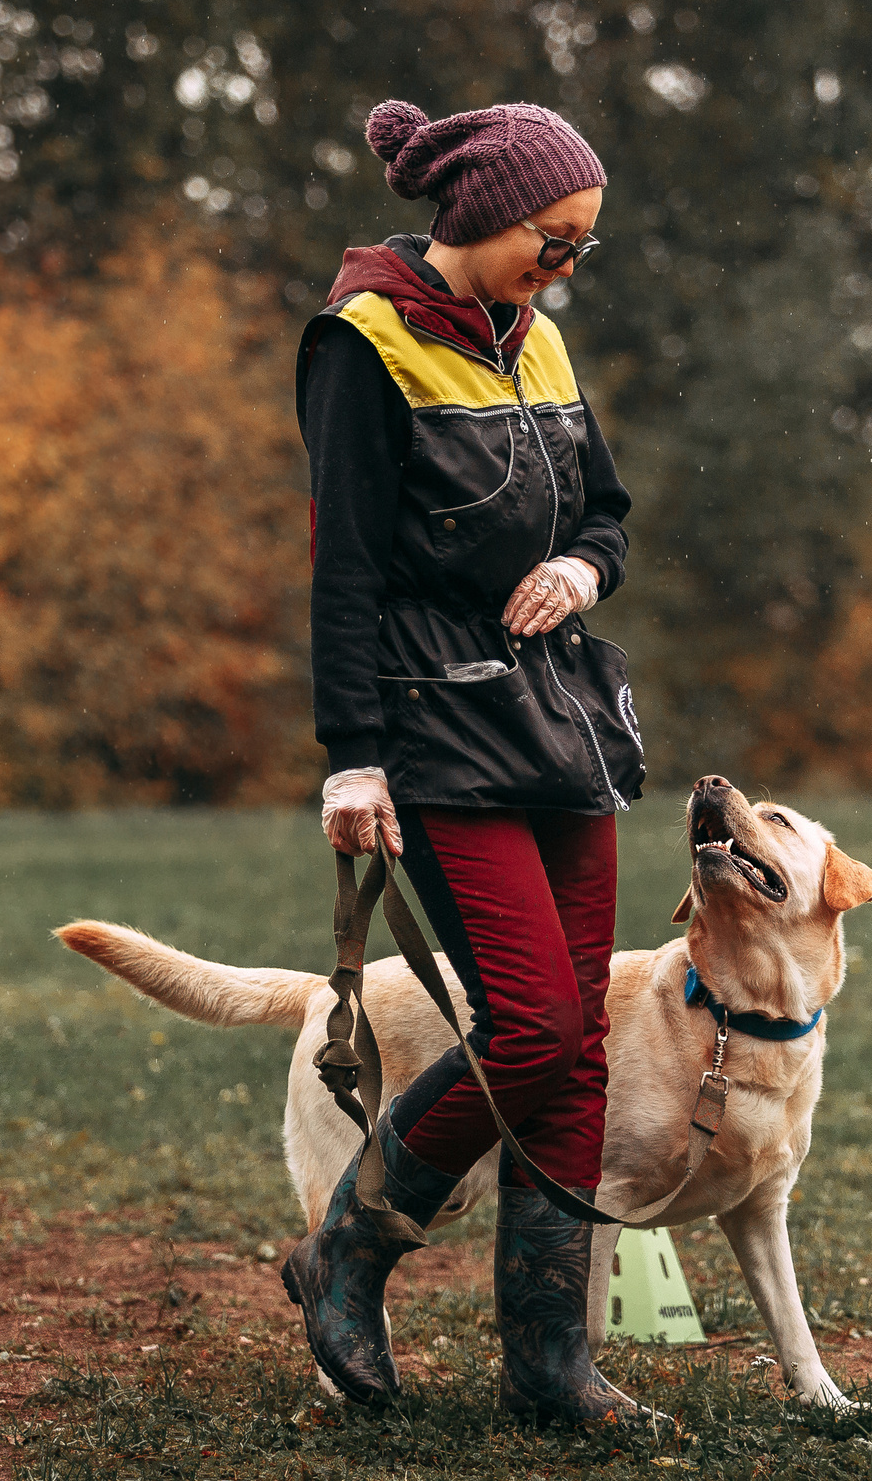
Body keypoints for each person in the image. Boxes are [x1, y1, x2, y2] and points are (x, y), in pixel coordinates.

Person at [287, 99, 660, 1431]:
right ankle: (350, 1246)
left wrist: (583, 569)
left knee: (581, 1041)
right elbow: (344, 568)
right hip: (435, 733)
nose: (562, 267)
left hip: (565, 727)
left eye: (580, 245)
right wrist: (352, 761)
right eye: (550, 240)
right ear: (481, 216)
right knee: (534, 1026)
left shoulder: (538, 337)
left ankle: (549, 1368)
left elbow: (604, 512)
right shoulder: (362, 341)